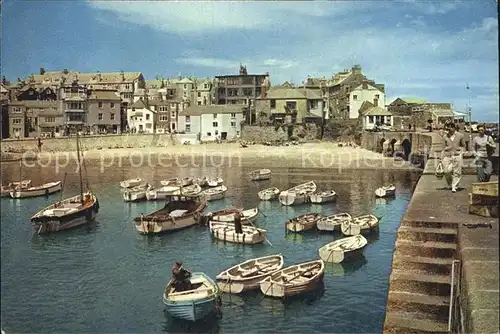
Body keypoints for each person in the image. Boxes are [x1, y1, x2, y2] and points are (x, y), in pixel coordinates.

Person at [440, 123, 465, 193]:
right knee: (446, 171)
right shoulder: (445, 137)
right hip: (447, 155)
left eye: (449, 128)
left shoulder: (460, 135)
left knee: (457, 172)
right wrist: (441, 158)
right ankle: (450, 184)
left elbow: (463, 145)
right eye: (447, 129)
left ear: (454, 128)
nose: (448, 130)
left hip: (457, 155)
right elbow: (442, 147)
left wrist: (461, 153)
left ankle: (454, 186)